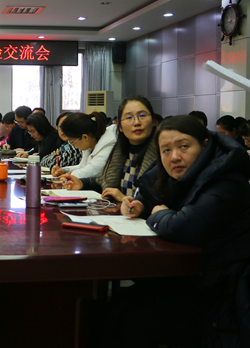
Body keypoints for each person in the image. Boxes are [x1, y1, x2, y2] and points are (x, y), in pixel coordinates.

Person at [97, 115, 250, 347]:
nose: (175, 156)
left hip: (222, 291)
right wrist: (142, 206)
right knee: (115, 306)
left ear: (205, 145)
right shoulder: (188, 174)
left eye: (184, 146)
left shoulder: (226, 180)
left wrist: (158, 214)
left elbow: (183, 227)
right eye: (166, 150)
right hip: (192, 275)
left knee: (133, 320)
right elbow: (156, 196)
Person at [61, 96, 158, 203]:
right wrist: (82, 183)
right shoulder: (120, 151)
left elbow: (163, 202)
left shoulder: (162, 154)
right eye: (129, 118)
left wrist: (125, 199)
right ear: (120, 127)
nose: (136, 122)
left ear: (154, 121)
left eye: (142, 115)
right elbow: (103, 181)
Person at [53, 111, 117, 178]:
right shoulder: (89, 145)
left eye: (72, 142)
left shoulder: (108, 144)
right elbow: (82, 166)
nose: (72, 145)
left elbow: (92, 170)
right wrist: (64, 170)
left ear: (85, 137)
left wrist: (68, 175)